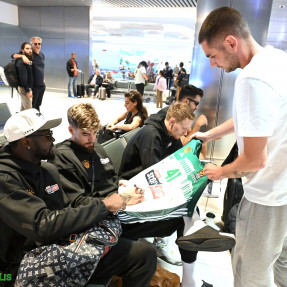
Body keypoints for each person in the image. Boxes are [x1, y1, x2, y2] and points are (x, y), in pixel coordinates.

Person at [181, 7, 287, 286]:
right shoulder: (276, 59)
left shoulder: (251, 79)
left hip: (268, 197)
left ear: (231, 42)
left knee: (249, 271)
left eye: (212, 56)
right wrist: (209, 135)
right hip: (284, 190)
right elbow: (253, 119)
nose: (213, 64)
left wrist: (220, 171)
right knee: (282, 264)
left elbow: (255, 160)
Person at [0, 108, 157, 287]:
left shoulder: (47, 171)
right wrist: (104, 206)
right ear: (26, 141)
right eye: (46, 135)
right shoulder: (5, 179)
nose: (53, 139)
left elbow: (66, 213)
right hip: (15, 269)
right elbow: (43, 225)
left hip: (59, 250)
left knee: (144, 255)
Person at [119, 102, 234, 287]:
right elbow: (154, 176)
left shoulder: (167, 133)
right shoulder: (151, 136)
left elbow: (170, 166)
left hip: (146, 193)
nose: (185, 133)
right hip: (133, 199)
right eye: (184, 129)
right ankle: (190, 278)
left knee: (188, 208)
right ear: (172, 121)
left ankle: (195, 231)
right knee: (185, 215)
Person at [12, 36, 45, 111]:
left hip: (41, 85)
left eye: (39, 44)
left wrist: (43, 78)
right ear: (31, 44)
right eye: (35, 44)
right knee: (31, 107)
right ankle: (34, 120)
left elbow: (41, 68)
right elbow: (13, 55)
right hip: (33, 85)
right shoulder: (29, 55)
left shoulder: (42, 55)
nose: (37, 45)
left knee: (37, 104)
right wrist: (22, 56)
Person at [15, 42, 33, 111]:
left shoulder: (27, 60)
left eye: (30, 48)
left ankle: (18, 121)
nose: (29, 50)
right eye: (27, 48)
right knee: (29, 110)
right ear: (22, 50)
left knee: (23, 108)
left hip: (25, 88)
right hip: (24, 88)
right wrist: (28, 91)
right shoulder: (21, 62)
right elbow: (23, 77)